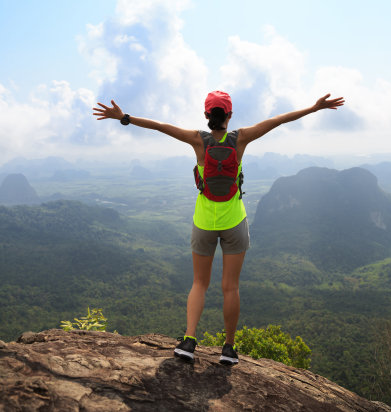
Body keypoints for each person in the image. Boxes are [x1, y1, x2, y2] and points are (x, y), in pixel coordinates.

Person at [93, 90, 345, 365]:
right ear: (229, 115)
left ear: (206, 115)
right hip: (235, 222)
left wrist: (125, 118)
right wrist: (313, 108)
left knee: (199, 283)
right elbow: (277, 121)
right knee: (230, 287)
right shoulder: (240, 138)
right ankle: (229, 348)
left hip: (204, 223)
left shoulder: (198, 140)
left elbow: (160, 127)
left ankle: (189, 341)